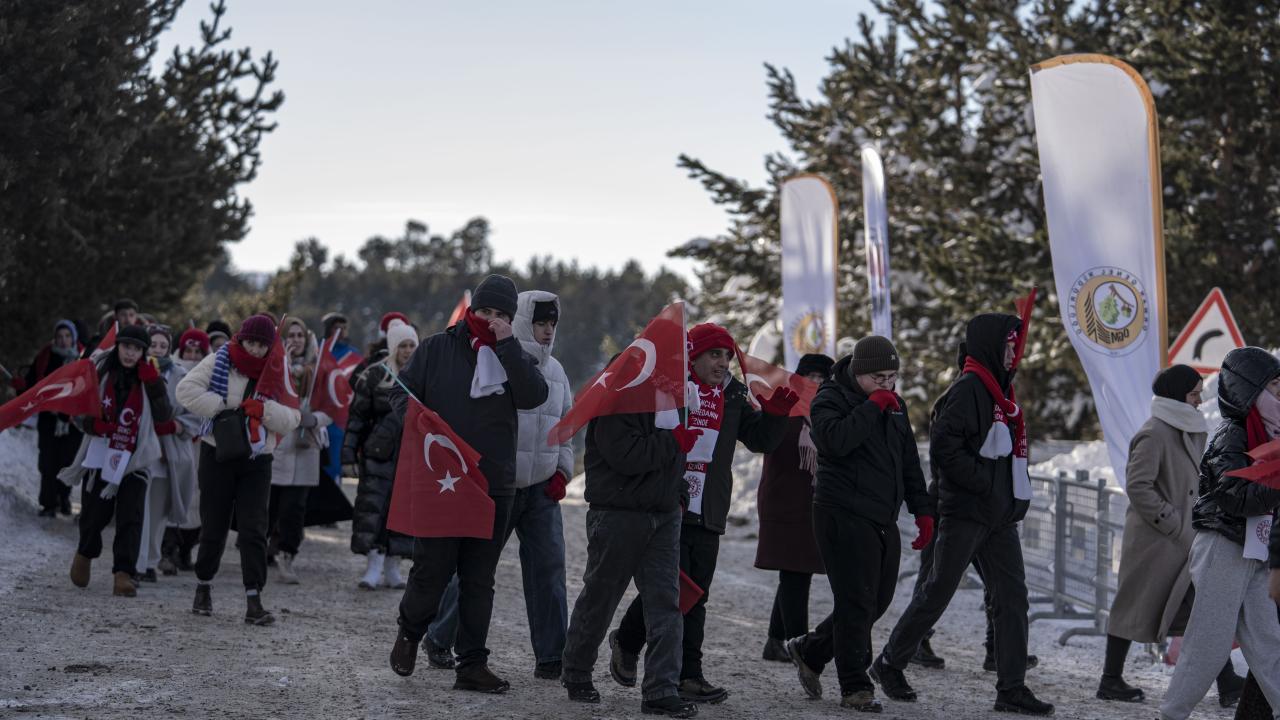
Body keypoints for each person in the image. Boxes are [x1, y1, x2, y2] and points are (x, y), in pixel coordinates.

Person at [872, 313, 1053, 716]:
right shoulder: (970, 388)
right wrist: (987, 486)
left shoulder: (1000, 391)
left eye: (1015, 347)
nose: (1013, 354)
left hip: (998, 518)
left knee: (1012, 597)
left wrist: (1008, 497)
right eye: (1008, 346)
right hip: (966, 512)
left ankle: (1011, 688)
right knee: (938, 590)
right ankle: (889, 661)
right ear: (990, 346)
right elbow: (945, 448)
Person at [610, 323, 795, 704]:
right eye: (714, 354)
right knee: (668, 590)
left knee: (696, 594)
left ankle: (688, 675)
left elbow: (759, 439)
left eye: (727, 356)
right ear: (693, 356)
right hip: (669, 503)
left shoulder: (734, 395)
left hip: (707, 507)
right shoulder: (674, 391)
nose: (722, 363)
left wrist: (776, 416)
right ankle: (629, 641)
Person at [385, 275, 548, 693]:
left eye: (501, 315)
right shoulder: (438, 348)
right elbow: (401, 393)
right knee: (432, 570)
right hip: (445, 479)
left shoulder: (515, 355)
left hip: (494, 483)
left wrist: (508, 345)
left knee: (479, 580)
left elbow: (534, 396)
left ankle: (471, 664)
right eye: (485, 311)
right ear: (471, 310)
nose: (491, 320)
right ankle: (409, 632)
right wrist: (418, 419)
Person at [428, 291, 577, 680]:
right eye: (540, 322)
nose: (547, 331)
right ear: (523, 321)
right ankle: (438, 637)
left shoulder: (558, 372)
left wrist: (562, 471)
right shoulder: (496, 363)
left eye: (552, 324)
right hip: (502, 487)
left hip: (543, 490)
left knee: (549, 569)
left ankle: (551, 656)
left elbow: (566, 428)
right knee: (477, 571)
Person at [783, 338, 932, 712]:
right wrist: (871, 407)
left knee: (876, 600)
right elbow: (834, 441)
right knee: (855, 600)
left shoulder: (894, 405)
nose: (887, 385)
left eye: (893, 377)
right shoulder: (830, 397)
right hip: (841, 511)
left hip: (882, 514)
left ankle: (812, 650)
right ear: (857, 372)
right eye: (878, 377)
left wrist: (923, 510)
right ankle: (855, 685)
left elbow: (909, 461)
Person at [560, 366, 700, 718]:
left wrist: (677, 494)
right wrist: (674, 441)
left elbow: (674, 462)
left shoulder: (670, 400)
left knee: (666, 603)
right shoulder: (615, 398)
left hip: (663, 516)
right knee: (601, 597)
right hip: (618, 515)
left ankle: (660, 689)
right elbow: (627, 457)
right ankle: (576, 671)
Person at [1159, 347, 1280, 720]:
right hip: (1223, 547)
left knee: (1267, 641)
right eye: (1275, 386)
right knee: (1208, 644)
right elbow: (1232, 494)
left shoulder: (1272, 435)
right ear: (1252, 391)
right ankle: (1173, 714)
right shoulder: (1232, 435)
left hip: (1255, 549)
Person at [1097, 365, 1228, 704]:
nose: (1199, 400)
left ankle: (1228, 683)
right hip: (1156, 542)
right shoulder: (1155, 432)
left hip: (1184, 540)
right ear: (1177, 396)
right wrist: (1174, 523)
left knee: (1203, 610)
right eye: (1194, 393)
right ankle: (1110, 680)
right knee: (1133, 608)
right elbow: (1138, 487)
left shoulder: (1189, 429)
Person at [176, 314, 301, 625]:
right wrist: (223, 407)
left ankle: (253, 598)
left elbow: (293, 416)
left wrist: (265, 410)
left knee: (254, 527)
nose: (256, 349)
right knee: (214, 524)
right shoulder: (220, 359)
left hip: (258, 458)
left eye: (262, 344)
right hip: (217, 451)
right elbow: (185, 390)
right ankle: (203, 585)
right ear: (241, 339)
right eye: (251, 342)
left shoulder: (277, 369)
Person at [61, 324, 173, 597]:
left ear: (143, 352)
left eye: (137, 349)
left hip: (135, 458)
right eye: (126, 346)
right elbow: (76, 410)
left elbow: (164, 417)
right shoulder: (98, 371)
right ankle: (85, 552)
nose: (130, 353)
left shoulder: (152, 377)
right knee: (94, 513)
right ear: (118, 346)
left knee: (130, 516)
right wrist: (92, 425)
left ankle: (123, 573)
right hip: (100, 452)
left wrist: (154, 385)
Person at [755, 353, 833, 661]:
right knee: (795, 572)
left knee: (797, 572)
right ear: (798, 379)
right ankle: (797, 642)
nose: (816, 383)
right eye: (810, 376)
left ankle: (776, 641)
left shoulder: (824, 413)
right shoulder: (783, 406)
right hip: (782, 499)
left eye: (822, 378)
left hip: (809, 502)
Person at [345, 318, 418, 589]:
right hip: (378, 454)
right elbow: (357, 418)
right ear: (392, 347)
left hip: (410, 456)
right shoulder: (374, 375)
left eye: (412, 345)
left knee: (401, 512)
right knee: (373, 510)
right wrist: (349, 455)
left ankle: (393, 566)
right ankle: (373, 566)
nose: (408, 350)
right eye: (403, 345)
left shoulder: (424, 376)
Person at [267, 317, 331, 584]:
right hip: (276, 446)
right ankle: (263, 549)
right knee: (269, 505)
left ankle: (287, 556)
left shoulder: (319, 371)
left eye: (299, 335)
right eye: (290, 335)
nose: (295, 339)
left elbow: (332, 405)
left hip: (305, 446)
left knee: (295, 508)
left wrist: (313, 418)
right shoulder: (272, 368)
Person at [135, 326, 199, 583]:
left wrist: (176, 426)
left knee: (158, 512)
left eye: (163, 346)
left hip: (169, 453)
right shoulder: (135, 373)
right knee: (138, 510)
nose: (157, 350)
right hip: (140, 450)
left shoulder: (181, 376)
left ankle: (150, 561)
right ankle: (135, 562)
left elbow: (193, 414)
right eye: (153, 345)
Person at [160, 328, 211, 574]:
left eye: (197, 351)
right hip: (178, 440)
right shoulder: (173, 373)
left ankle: (186, 549)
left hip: (203, 443)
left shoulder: (213, 374)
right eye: (188, 350)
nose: (192, 356)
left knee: (198, 498)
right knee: (175, 493)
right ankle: (167, 550)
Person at [25, 320, 85, 517]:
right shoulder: (46, 356)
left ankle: (64, 497)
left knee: (67, 461)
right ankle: (49, 503)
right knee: (48, 462)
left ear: (74, 337)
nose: (63, 340)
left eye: (67, 336)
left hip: (72, 421)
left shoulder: (83, 357)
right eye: (59, 336)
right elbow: (32, 383)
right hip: (49, 419)